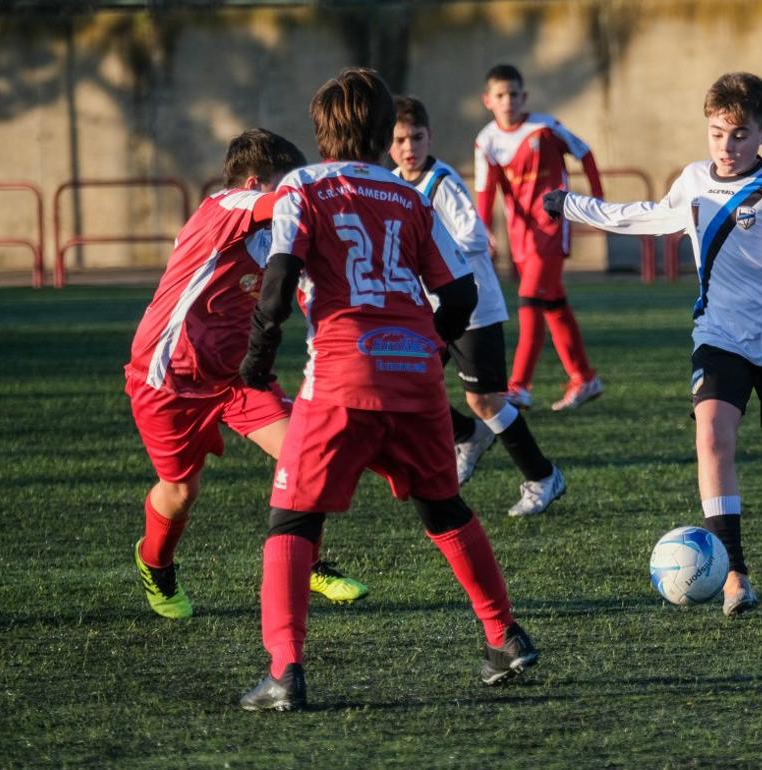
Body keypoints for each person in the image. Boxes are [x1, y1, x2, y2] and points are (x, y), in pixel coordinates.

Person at [237, 68, 537, 712]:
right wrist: (428, 345)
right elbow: (459, 292)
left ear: (321, 130)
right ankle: (504, 635)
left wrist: (259, 360)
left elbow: (281, 273)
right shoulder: (410, 197)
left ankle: (285, 670)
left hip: (341, 378)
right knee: (445, 508)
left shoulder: (304, 186)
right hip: (417, 379)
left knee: (293, 519)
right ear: (382, 134)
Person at [545, 72, 762, 615]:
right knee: (711, 437)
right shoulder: (693, 181)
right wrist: (573, 206)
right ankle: (735, 574)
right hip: (720, 336)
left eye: (739, 135)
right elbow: (649, 216)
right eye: (716, 134)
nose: (726, 148)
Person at [124, 128, 367, 621]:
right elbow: (278, 204)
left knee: (307, 451)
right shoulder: (224, 207)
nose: (294, 193)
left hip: (238, 378)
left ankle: (310, 564)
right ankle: (156, 564)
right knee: (180, 492)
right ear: (254, 182)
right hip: (168, 378)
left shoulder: (272, 236)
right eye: (286, 183)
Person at [389, 95, 565, 517]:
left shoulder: (442, 181)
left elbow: (473, 237)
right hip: (427, 307)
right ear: (388, 145)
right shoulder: (392, 183)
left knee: (484, 399)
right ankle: (468, 435)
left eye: (417, 137)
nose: (410, 146)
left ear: (429, 137)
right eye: (400, 139)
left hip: (472, 304)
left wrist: (421, 255)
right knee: (406, 381)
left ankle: (542, 477)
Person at [474, 63, 605, 411]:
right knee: (553, 304)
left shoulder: (545, 127)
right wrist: (484, 227)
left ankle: (519, 386)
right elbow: (485, 189)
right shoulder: (486, 141)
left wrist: (597, 199)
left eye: (513, 94)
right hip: (521, 234)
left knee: (530, 298)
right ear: (488, 100)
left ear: (524, 96)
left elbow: (585, 152)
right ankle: (584, 377)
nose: (508, 101)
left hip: (552, 223)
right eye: (500, 95)